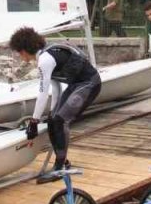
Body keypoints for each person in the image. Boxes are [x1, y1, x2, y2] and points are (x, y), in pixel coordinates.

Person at [9, 26, 101, 180]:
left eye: (18, 52)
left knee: (60, 120)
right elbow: (56, 86)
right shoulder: (45, 55)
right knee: (53, 120)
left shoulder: (44, 60)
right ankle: (62, 162)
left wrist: (34, 121)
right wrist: (51, 112)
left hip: (90, 84)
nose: (19, 56)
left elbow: (43, 93)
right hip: (77, 85)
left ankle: (60, 167)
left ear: (24, 50)